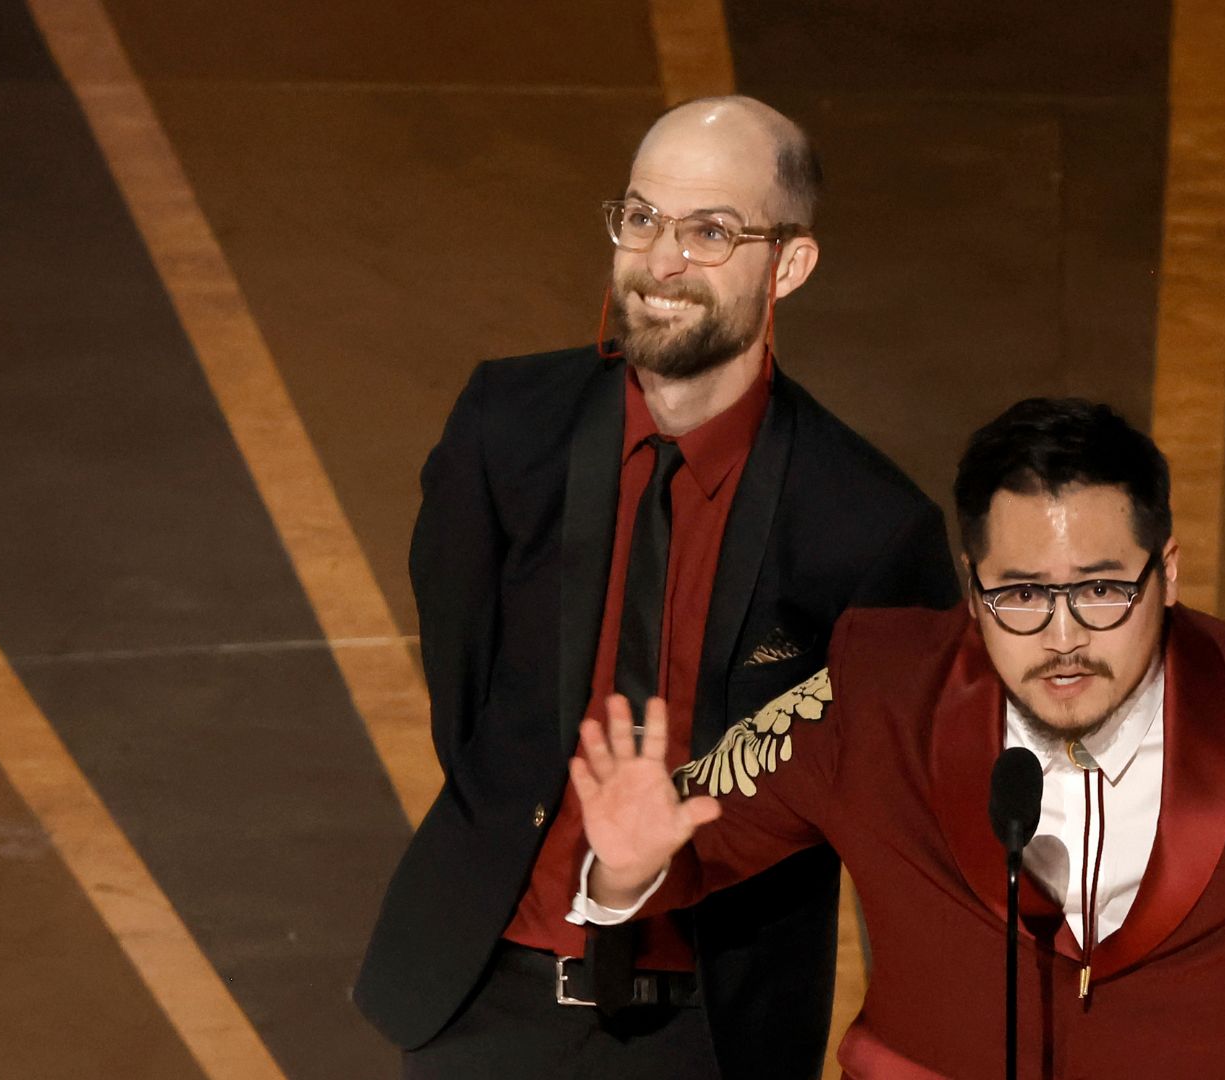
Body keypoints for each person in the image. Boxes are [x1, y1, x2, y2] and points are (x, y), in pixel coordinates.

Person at [569, 398, 1225, 1078]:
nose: (1062, 637)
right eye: (1020, 595)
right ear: (972, 589)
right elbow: (678, 850)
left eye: (1101, 590)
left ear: (1167, 572)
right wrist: (619, 869)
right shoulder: (875, 697)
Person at [353, 96, 961, 1079]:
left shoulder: (869, 528)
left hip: (711, 1031)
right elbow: (465, 691)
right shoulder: (506, 428)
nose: (661, 261)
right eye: (641, 218)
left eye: (710, 231)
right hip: (482, 997)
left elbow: (894, 806)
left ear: (789, 265)